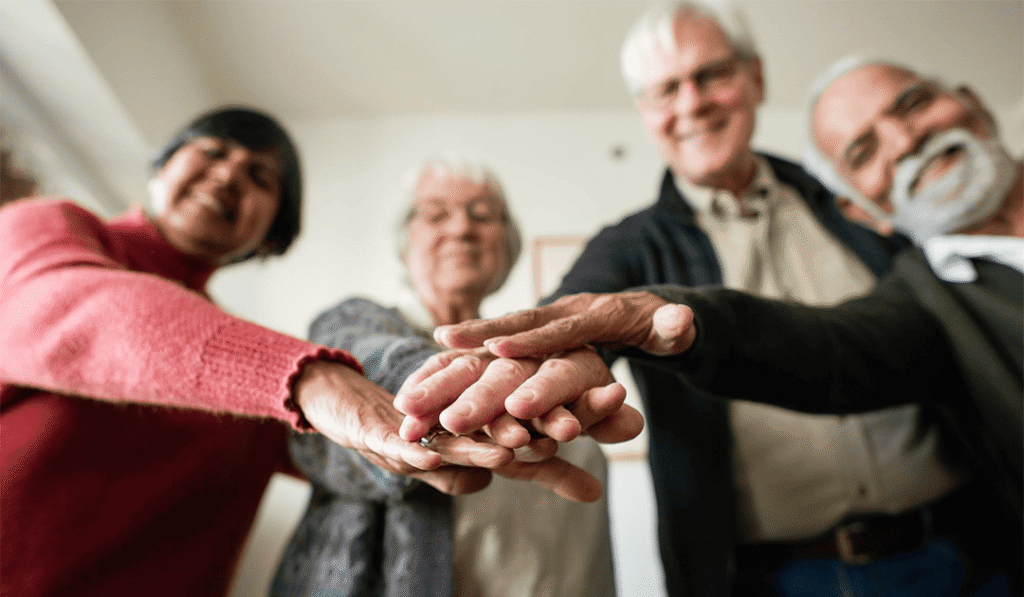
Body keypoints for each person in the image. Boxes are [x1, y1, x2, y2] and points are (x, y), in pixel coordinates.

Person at [395, 3, 980, 596]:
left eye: (711, 76)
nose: (691, 103)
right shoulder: (628, 246)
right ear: (646, 114)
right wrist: (520, 366)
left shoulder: (851, 196)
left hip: (962, 547)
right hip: (773, 579)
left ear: (756, 77)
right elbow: (575, 313)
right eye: (665, 90)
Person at [0, 108, 603, 597]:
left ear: (274, 231)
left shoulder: (231, 350)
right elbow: (78, 313)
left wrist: (459, 429)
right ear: (161, 164)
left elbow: (330, 448)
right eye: (211, 150)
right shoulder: (49, 231)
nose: (230, 173)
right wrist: (316, 381)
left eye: (262, 175)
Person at [271, 155, 628, 597]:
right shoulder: (355, 323)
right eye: (436, 214)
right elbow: (367, 373)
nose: (461, 228)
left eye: (482, 215)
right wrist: (434, 382)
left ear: (507, 244)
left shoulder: (549, 356)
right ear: (405, 244)